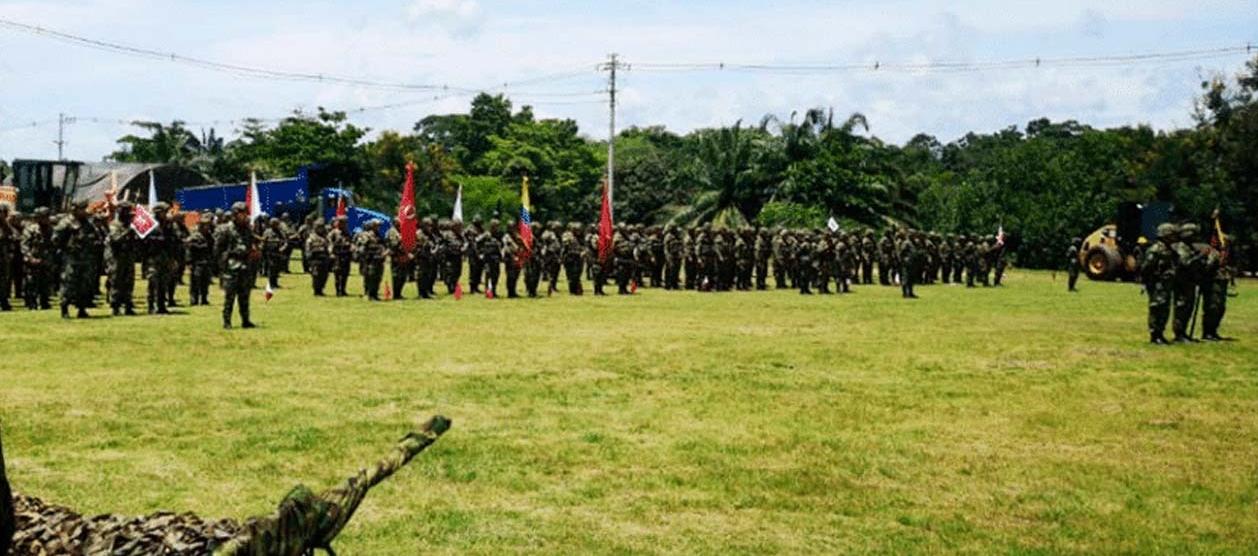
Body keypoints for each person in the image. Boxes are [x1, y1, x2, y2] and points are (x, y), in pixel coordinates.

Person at [216, 202, 259, 329]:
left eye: (245, 213)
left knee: (245, 295)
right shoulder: (225, 229)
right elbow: (218, 249)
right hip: (231, 266)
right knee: (230, 297)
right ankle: (227, 321)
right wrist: (222, 265)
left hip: (245, 265)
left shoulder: (247, 229)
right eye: (242, 214)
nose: (245, 216)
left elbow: (251, 244)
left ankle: (245, 320)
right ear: (235, 214)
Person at [52, 201, 98, 319]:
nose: (84, 211)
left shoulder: (87, 223)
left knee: (84, 284)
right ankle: (64, 308)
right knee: (68, 283)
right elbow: (55, 239)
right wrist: (66, 247)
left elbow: (95, 236)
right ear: (75, 209)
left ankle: (81, 308)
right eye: (81, 209)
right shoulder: (66, 222)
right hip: (71, 258)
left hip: (85, 258)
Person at [1141, 223, 1178, 345]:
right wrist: (1151, 281)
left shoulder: (1169, 249)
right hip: (1157, 284)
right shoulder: (1155, 249)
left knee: (1164, 309)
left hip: (1166, 284)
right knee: (1157, 308)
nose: (1174, 238)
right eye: (1172, 235)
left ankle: (1160, 333)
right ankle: (1155, 335)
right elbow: (1146, 267)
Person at [1171, 223, 1205, 342]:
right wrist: (1200, 257)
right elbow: (1186, 263)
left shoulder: (1190, 247)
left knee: (1188, 307)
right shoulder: (1181, 247)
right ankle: (1179, 333)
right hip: (1182, 282)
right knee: (1182, 307)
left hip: (1190, 282)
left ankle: (1184, 332)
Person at [1200, 233, 1232, 341]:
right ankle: (1207, 332)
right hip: (1212, 283)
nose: (1226, 245)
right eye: (1224, 242)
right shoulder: (1212, 253)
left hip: (1221, 283)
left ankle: (1213, 331)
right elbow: (1207, 268)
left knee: (1220, 308)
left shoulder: (1224, 254)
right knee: (1212, 308)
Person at [20, 207, 53, 310]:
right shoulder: (30, 229)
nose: (47, 219)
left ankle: (44, 302)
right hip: (32, 260)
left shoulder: (50, 230)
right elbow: (24, 245)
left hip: (46, 260)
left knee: (45, 282)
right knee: (31, 283)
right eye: (44, 217)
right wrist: (30, 258)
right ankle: (31, 303)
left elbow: (53, 245)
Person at [185, 214, 214, 306]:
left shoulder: (209, 236)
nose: (207, 227)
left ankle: (204, 298)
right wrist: (189, 262)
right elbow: (189, 249)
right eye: (205, 225)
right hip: (196, 262)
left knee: (205, 282)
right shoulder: (195, 236)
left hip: (207, 261)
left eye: (208, 225)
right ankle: (194, 299)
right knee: (195, 282)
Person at [355, 220, 386, 301]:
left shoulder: (379, 235)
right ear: (372, 226)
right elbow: (362, 246)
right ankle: (368, 294)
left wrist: (384, 252)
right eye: (377, 225)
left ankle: (375, 294)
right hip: (370, 260)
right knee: (370, 277)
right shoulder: (367, 235)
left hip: (379, 259)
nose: (378, 227)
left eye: (379, 226)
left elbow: (383, 245)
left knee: (378, 277)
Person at [385, 217, 412, 300]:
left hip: (403, 255)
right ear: (395, 223)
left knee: (403, 276)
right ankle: (396, 294)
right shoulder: (392, 231)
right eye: (399, 223)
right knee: (397, 276)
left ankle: (399, 293)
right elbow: (394, 244)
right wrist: (401, 239)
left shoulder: (400, 231)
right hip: (396, 256)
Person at [304, 219, 332, 296]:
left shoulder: (326, 237)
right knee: (316, 275)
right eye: (319, 227)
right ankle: (316, 290)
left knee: (324, 275)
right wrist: (308, 257)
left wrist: (329, 252)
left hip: (324, 258)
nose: (321, 229)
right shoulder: (312, 237)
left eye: (322, 227)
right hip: (315, 259)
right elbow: (308, 247)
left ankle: (321, 289)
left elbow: (329, 246)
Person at [329, 216, 353, 297]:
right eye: (342, 222)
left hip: (346, 255)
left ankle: (343, 289)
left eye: (345, 223)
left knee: (345, 274)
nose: (344, 224)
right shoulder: (334, 232)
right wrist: (331, 253)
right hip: (337, 256)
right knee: (337, 273)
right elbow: (330, 243)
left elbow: (350, 241)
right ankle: (338, 291)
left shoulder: (347, 232)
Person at [479, 219, 503, 297]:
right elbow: (477, 242)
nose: (497, 228)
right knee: (488, 275)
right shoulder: (486, 235)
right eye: (495, 226)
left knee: (496, 275)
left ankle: (494, 291)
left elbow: (502, 246)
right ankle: (488, 292)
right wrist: (480, 253)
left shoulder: (499, 235)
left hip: (496, 259)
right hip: (488, 259)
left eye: (498, 227)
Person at [262, 218, 286, 289]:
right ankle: (271, 283)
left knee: (277, 268)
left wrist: (282, 248)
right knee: (271, 268)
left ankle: (275, 283)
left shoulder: (280, 232)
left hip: (278, 252)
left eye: (276, 224)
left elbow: (285, 242)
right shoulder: (267, 232)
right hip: (270, 252)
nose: (275, 225)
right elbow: (264, 241)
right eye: (274, 224)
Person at [561, 222, 583, 295]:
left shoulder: (578, 237)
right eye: (577, 230)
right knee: (571, 275)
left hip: (577, 258)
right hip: (570, 258)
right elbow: (566, 246)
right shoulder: (567, 235)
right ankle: (572, 291)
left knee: (577, 275)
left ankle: (577, 289)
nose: (579, 231)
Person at [0, 205, 12, 311]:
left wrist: (5, 222)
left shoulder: (6, 226)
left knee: (3, 281)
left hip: (3, 258)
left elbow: (14, 235)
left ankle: (4, 302)